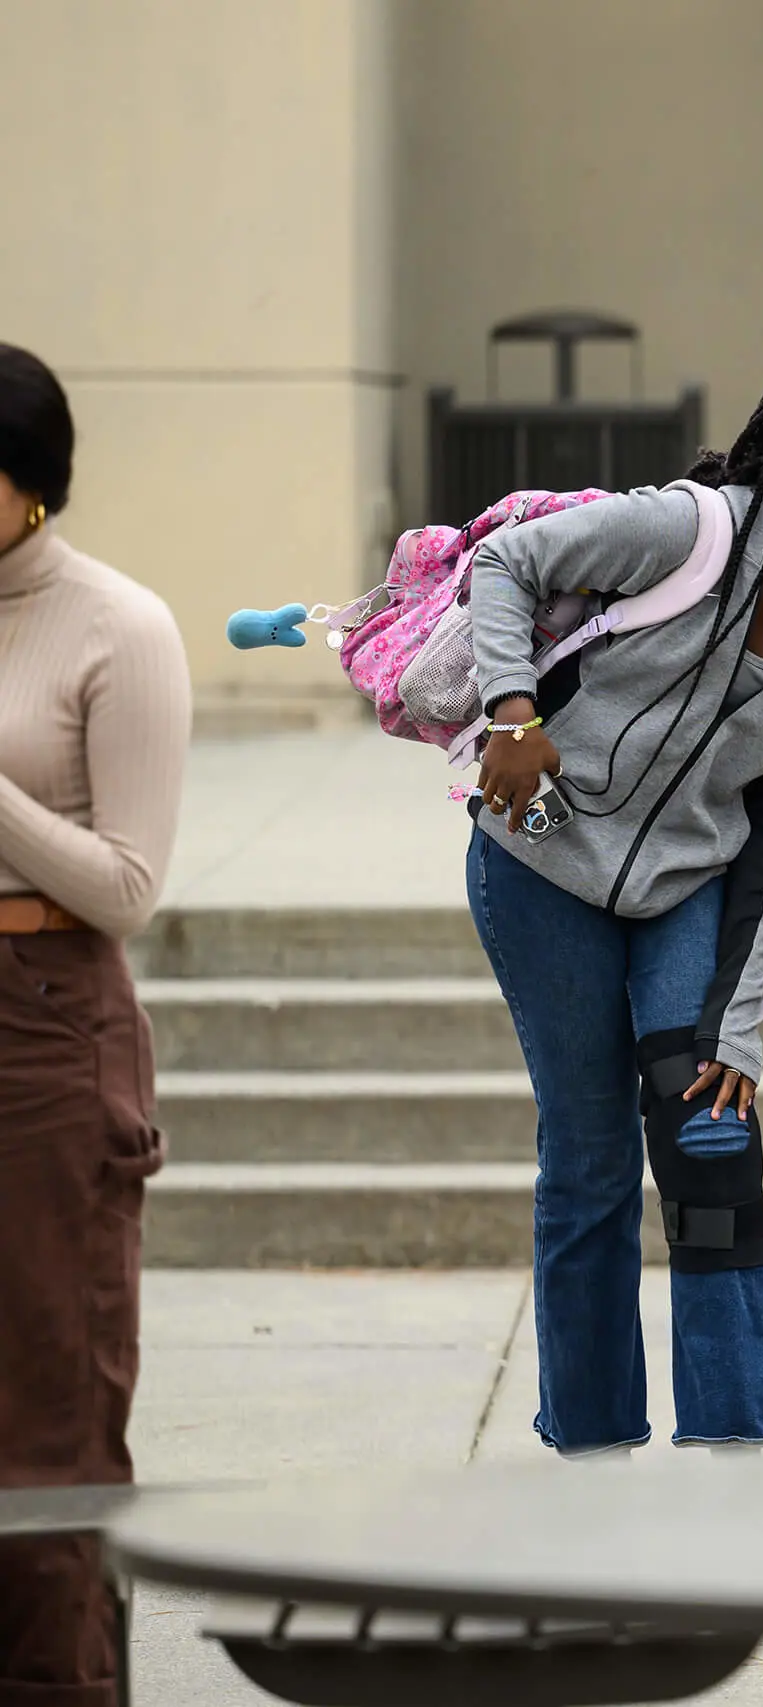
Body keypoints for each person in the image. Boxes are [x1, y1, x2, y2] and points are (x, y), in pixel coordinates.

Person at [465, 368, 763, 1454]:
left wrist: (742, 1013)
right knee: (588, 1157)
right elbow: (503, 563)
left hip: (689, 889)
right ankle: (592, 1443)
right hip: (541, 865)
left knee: (711, 1136)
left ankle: (740, 1437)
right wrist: (512, 713)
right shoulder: (686, 530)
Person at [0, 344, 187, 1704]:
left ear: (28, 483)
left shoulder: (117, 624)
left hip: (45, 1026)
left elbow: (127, 882)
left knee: (47, 1414)